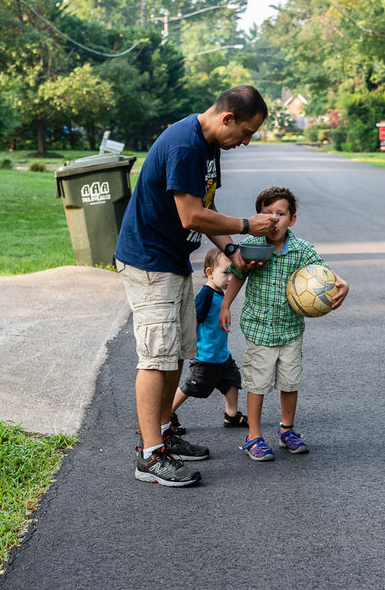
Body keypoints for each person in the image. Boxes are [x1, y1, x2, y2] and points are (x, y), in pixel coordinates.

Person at [114, 85, 275, 488]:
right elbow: (190, 216)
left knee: (177, 353)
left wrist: (234, 249)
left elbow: (208, 207)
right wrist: (246, 225)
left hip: (171, 261)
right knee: (156, 356)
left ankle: (165, 434)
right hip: (149, 262)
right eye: (246, 132)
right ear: (227, 118)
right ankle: (150, 456)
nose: (246, 141)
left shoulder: (208, 146)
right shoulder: (185, 145)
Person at [219, 186, 349, 461]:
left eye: (281, 213)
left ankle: (287, 430)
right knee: (258, 383)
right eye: (267, 213)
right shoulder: (253, 247)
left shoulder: (301, 250)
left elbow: (324, 272)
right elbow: (238, 274)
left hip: (291, 329)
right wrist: (225, 305)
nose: (274, 219)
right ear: (258, 217)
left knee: (290, 382)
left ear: (292, 219)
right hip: (259, 327)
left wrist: (342, 282)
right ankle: (253, 436)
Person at [169, 247, 248, 434]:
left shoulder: (221, 293)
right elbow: (192, 320)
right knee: (193, 386)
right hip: (206, 356)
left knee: (232, 381)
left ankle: (231, 415)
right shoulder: (206, 294)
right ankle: (166, 414)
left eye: (233, 272)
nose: (230, 277)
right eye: (226, 272)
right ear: (209, 273)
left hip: (221, 354)